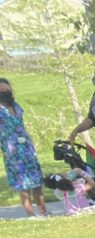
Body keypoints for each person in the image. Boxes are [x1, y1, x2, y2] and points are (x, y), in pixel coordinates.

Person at [0, 77, 46, 218]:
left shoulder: (16, 106)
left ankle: (44, 213)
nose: (5, 91)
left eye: (7, 89)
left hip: (27, 149)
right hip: (12, 152)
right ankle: (31, 216)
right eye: (1, 90)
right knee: (24, 186)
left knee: (37, 183)